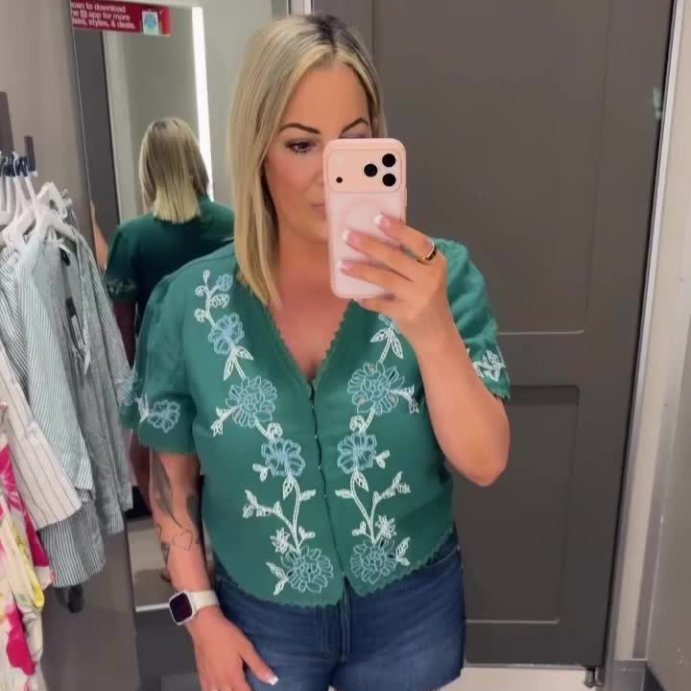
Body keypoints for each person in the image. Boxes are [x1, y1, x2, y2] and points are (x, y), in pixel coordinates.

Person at [122, 15, 510, 691]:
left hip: (411, 605)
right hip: (260, 612)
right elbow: (169, 479)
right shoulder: (189, 305)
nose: (331, 175)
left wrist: (431, 329)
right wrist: (199, 615)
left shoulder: (439, 278)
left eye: (354, 145)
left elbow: (485, 461)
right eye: (302, 144)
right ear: (257, 151)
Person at [105, 117, 233, 538]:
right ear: (196, 163)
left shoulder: (132, 237)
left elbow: (122, 324)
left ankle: (179, 543)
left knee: (144, 461)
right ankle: (216, 545)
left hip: (162, 371)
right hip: (224, 364)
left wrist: (128, 391)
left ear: (149, 171)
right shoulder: (232, 225)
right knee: (223, 462)